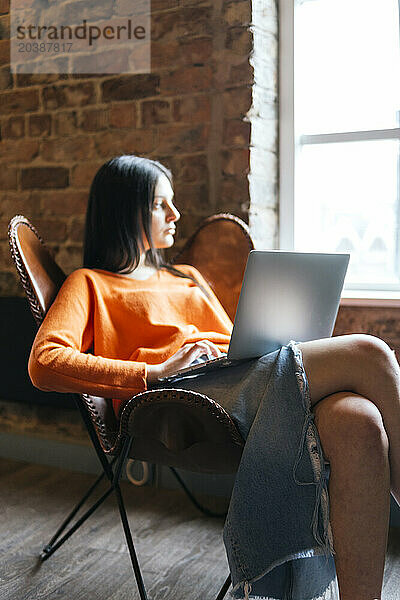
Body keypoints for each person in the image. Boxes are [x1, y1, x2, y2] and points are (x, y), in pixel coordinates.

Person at [28, 155, 400, 600]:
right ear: (126, 211)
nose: (175, 215)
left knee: (357, 420)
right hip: (181, 398)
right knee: (371, 353)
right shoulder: (89, 284)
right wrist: (153, 371)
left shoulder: (188, 277)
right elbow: (44, 362)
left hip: (239, 375)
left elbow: (234, 340)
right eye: (160, 205)